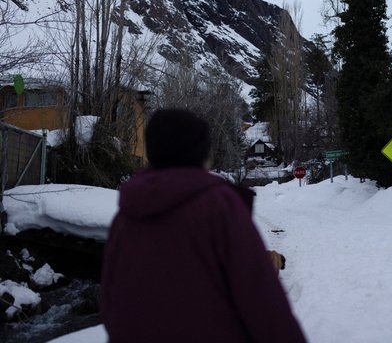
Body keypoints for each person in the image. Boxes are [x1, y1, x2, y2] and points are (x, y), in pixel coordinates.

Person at [100, 108, 306, 342]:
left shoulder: (127, 215)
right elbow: (261, 299)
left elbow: (109, 301)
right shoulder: (219, 206)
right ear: (200, 152)